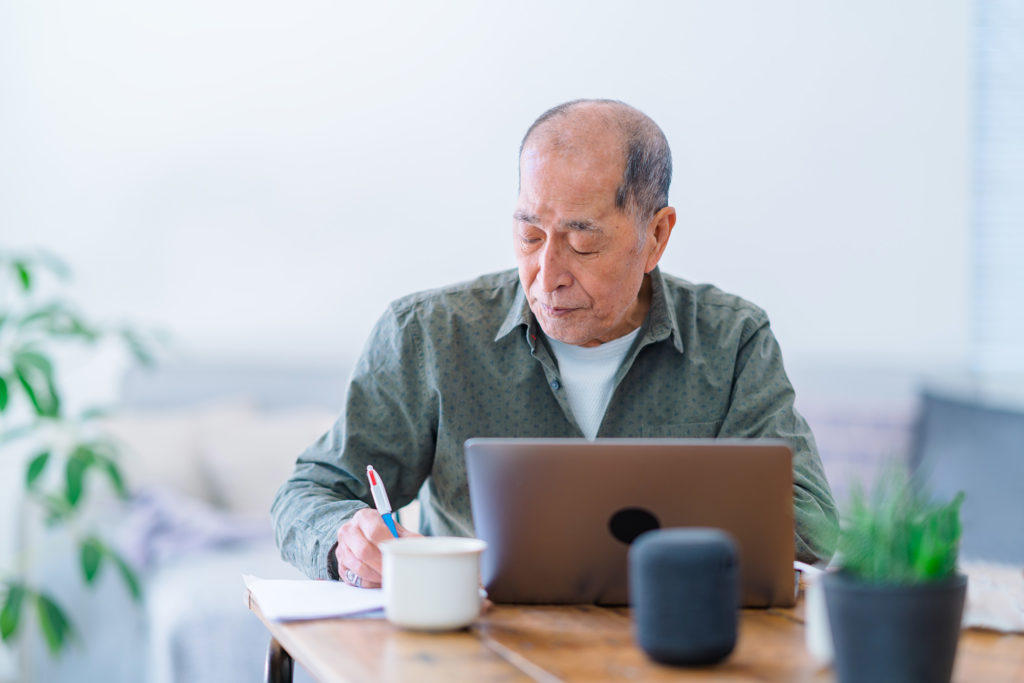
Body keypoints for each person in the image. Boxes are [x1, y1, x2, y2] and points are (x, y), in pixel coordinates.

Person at [272, 99, 837, 589]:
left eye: (582, 243)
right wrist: (347, 541)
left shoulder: (733, 339)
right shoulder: (427, 334)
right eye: (530, 235)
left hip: (674, 636)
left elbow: (813, 526)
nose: (547, 274)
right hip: (477, 645)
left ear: (656, 236)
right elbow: (310, 492)